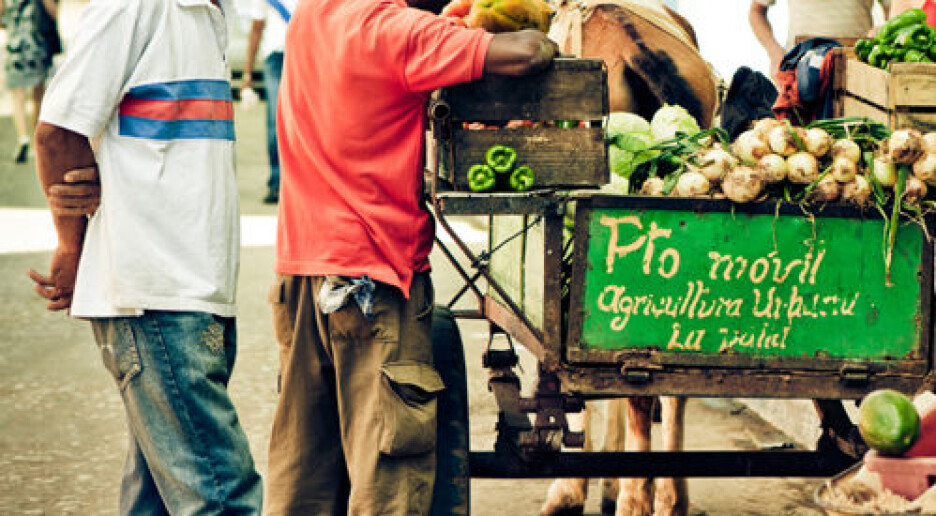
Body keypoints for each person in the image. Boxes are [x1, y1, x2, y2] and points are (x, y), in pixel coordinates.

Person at [264, 0, 558, 512]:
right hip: (374, 287)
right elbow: (528, 52)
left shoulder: (312, 15)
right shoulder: (399, 32)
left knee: (303, 475)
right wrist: (551, 29)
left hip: (301, 275)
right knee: (389, 482)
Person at [26, 0, 263, 514]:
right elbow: (56, 132)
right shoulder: (134, 5)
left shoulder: (211, 13)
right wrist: (73, 246)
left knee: (157, 498)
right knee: (221, 497)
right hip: (156, 296)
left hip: (196, 293)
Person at [749, 0, 890, 80]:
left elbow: (894, 9)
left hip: (857, 68)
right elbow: (756, 11)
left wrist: (883, 30)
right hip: (800, 69)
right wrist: (774, 53)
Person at [242, 0, 296, 204]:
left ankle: (281, 185)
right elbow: (257, 26)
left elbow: (257, 27)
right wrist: (247, 72)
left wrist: (248, 73)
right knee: (284, 122)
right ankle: (281, 183)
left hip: (288, 55)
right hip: (286, 56)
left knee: (279, 121)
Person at [0, 0, 60, 163]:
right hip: (36, 47)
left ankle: (23, 138)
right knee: (37, 97)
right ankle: (35, 140)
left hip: (15, 49)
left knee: (17, 98)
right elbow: (53, 13)